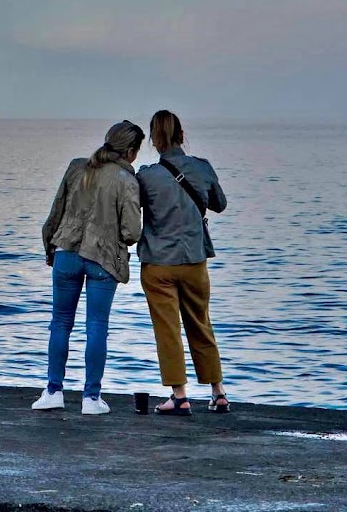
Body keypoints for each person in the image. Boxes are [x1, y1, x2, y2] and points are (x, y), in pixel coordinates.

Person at [33, 120, 144, 414]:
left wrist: (50, 249)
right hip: (103, 258)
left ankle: (53, 391)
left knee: (60, 323)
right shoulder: (126, 180)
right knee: (96, 327)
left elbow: (54, 213)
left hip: (66, 253)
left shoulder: (76, 167)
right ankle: (91, 399)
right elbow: (133, 232)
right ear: (131, 151)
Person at [136, 110, 230, 415]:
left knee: (168, 331)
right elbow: (220, 204)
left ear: (153, 139)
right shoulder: (202, 168)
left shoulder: (147, 176)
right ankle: (218, 392)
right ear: (181, 134)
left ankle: (179, 395)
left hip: (158, 264)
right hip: (194, 260)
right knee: (201, 324)